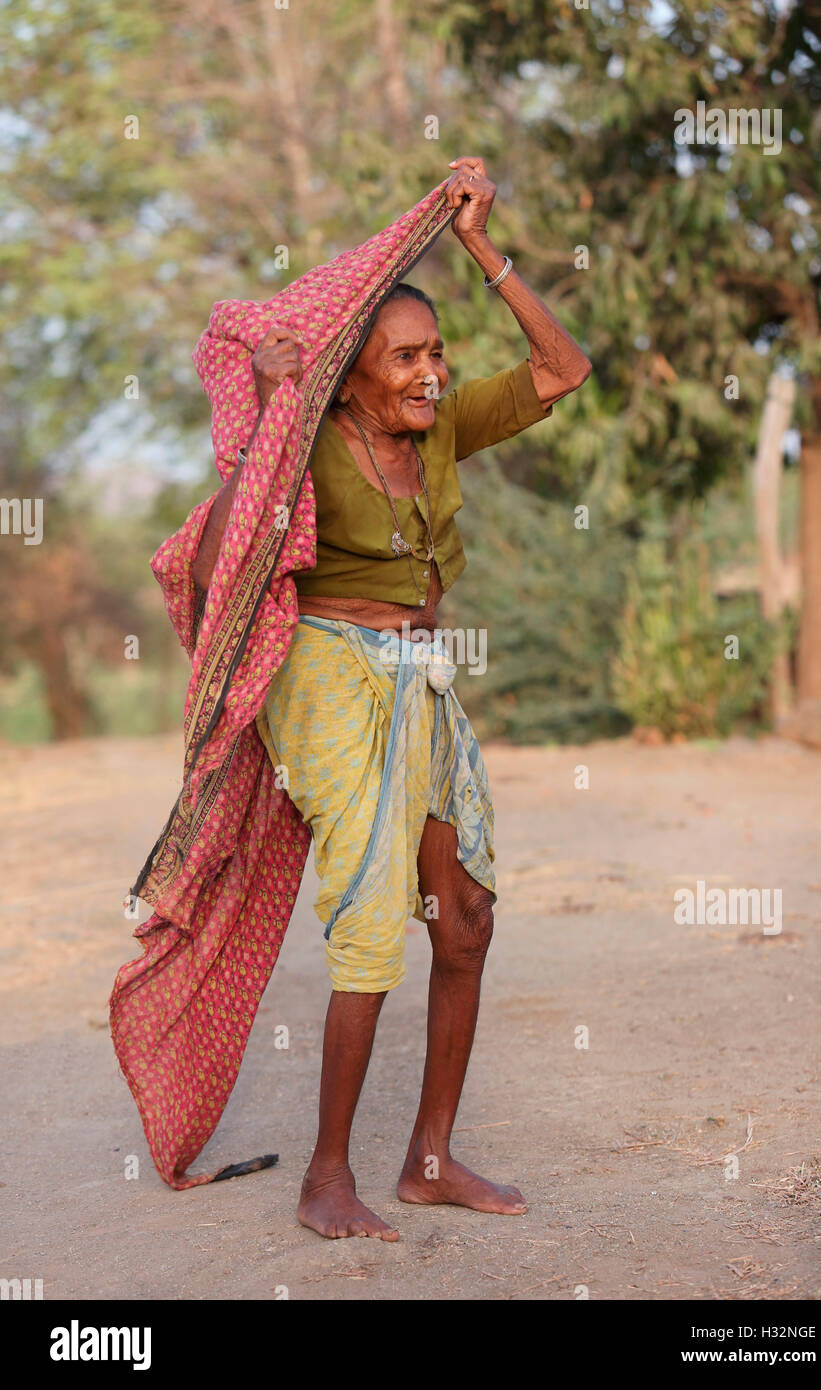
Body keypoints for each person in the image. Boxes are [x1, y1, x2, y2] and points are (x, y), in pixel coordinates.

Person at [169, 157, 590, 1239]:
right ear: (348, 375)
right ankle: (324, 1176)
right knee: (367, 911)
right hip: (324, 666)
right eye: (403, 356)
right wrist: (271, 416)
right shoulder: (301, 440)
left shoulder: (440, 425)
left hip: (422, 670)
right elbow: (227, 554)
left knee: (467, 918)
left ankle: (430, 1159)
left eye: (435, 352)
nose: (430, 373)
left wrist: (481, 252)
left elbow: (561, 367)